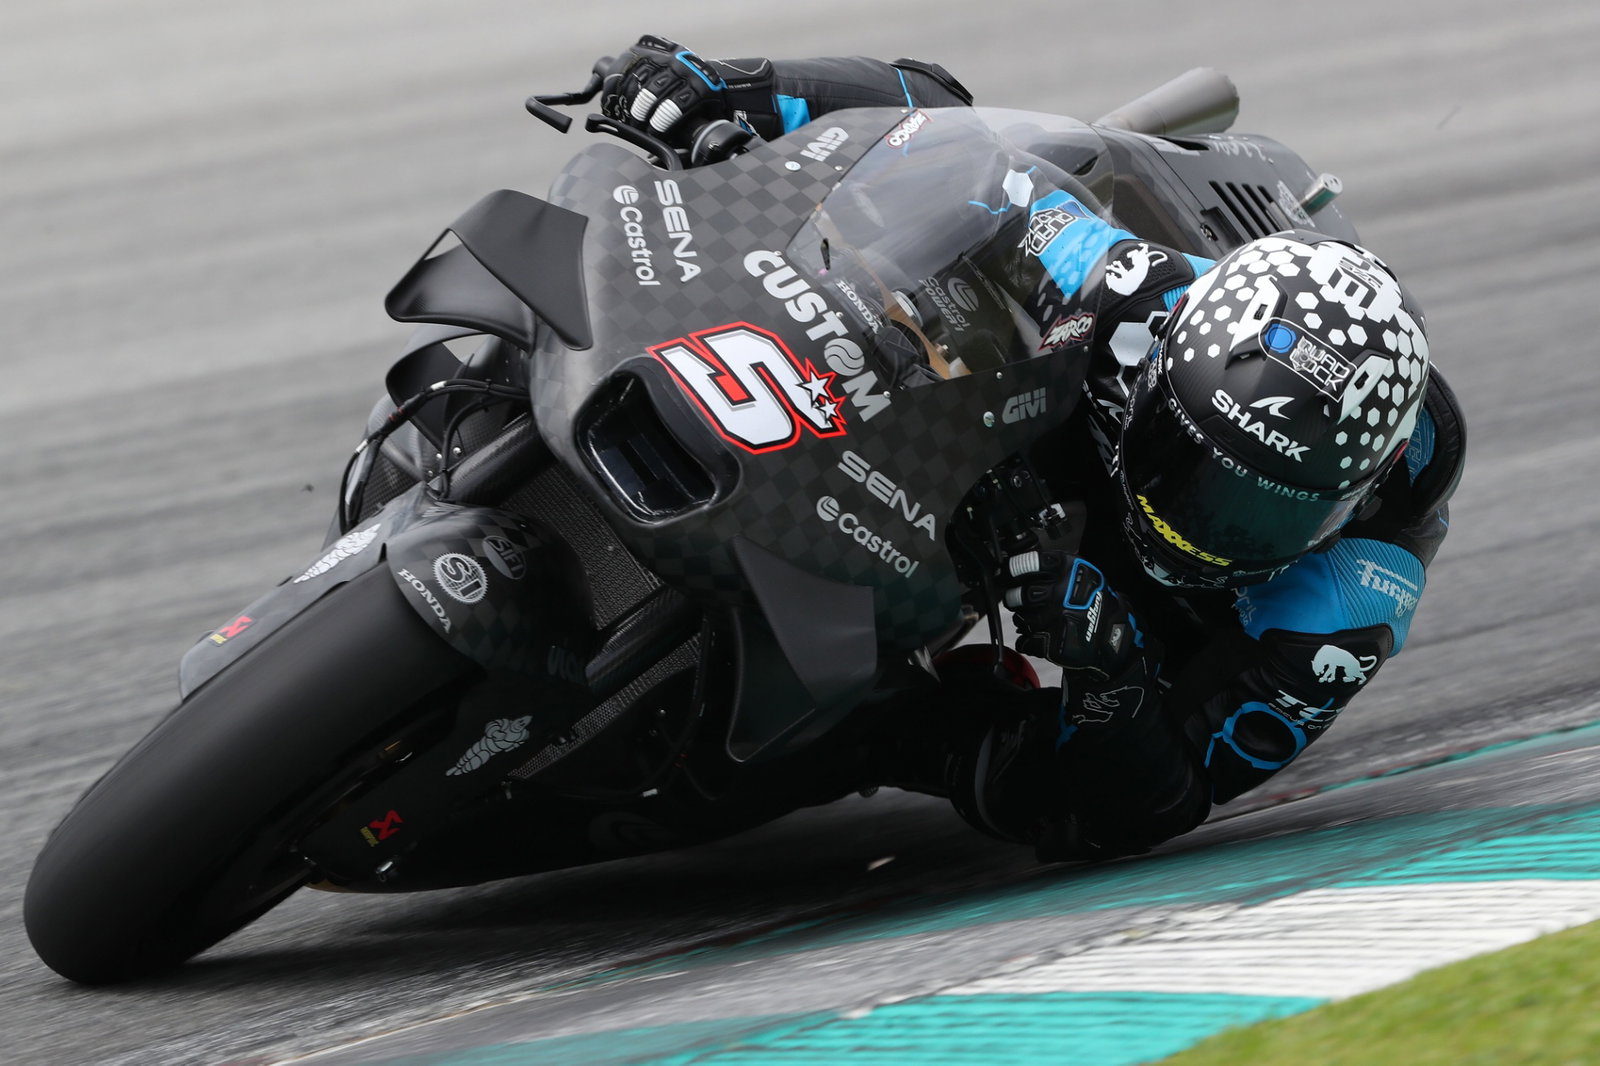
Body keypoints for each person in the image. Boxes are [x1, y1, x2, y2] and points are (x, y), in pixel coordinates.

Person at [600, 36, 1467, 861]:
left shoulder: (1356, 582)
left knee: (1037, 795)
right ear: (1164, 363)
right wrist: (729, 87)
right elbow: (945, 128)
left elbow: (1167, 802)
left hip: (1122, 614)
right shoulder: (1131, 287)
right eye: (1198, 466)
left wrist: (1106, 657)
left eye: (1266, 507)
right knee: (954, 223)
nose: (1207, 519)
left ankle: (874, 738)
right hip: (1094, 380)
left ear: (1354, 494)